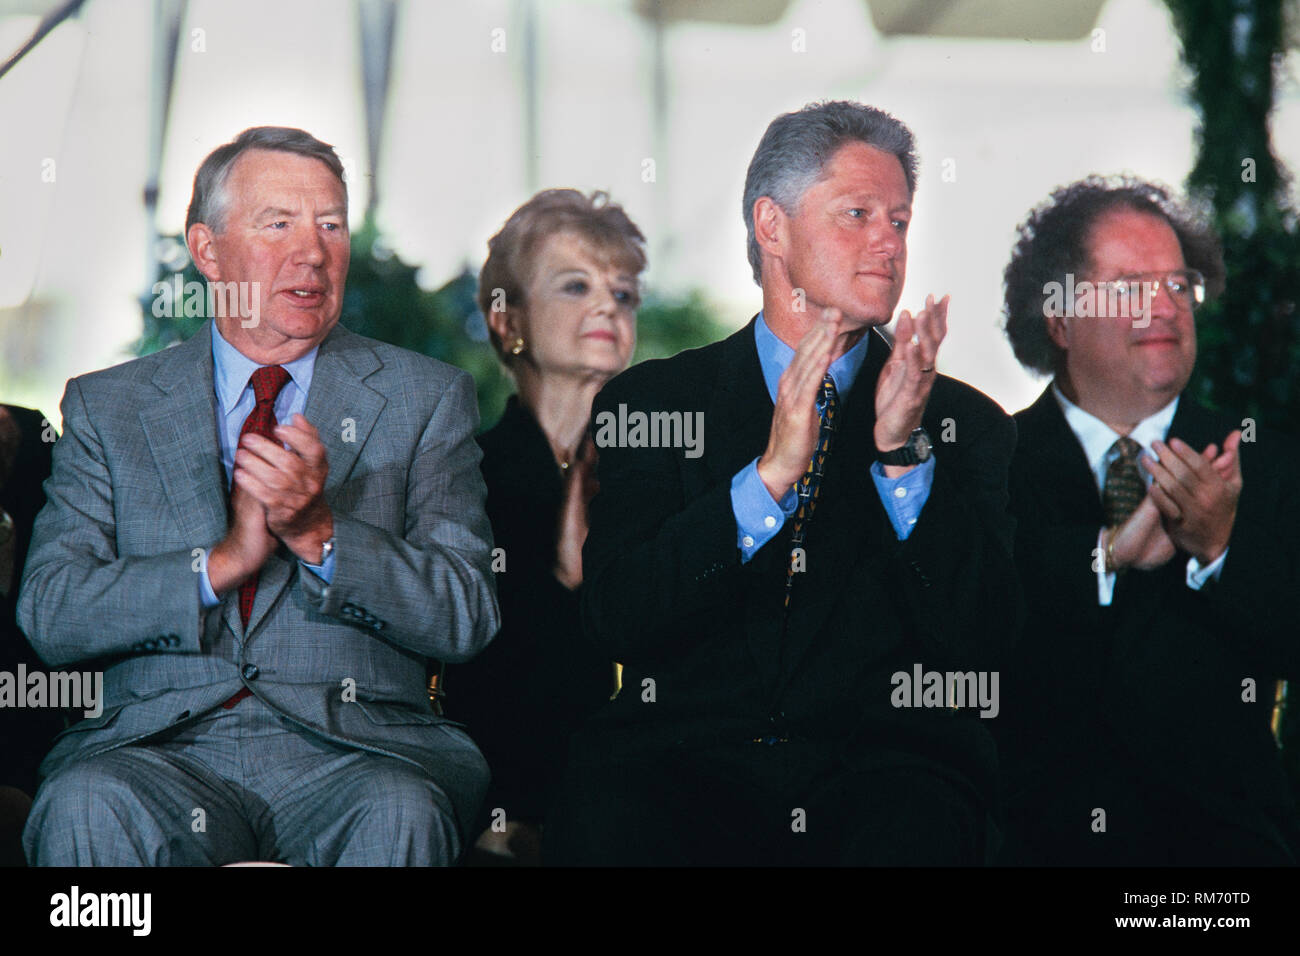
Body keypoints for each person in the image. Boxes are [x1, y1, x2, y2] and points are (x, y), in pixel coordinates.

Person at [546, 101, 1021, 866]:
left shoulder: (969, 425)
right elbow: (618, 616)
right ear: (772, 226)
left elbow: (988, 641)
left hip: (883, 779)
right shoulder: (652, 404)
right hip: (681, 768)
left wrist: (902, 460)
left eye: (899, 221)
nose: (887, 244)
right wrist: (767, 480)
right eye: (858, 214)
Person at [17, 126, 499, 866]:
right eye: (279, 224)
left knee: (401, 810)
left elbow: (467, 612)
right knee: (86, 804)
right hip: (155, 753)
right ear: (208, 251)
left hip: (356, 753)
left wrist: (322, 537)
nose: (313, 251)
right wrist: (218, 564)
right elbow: (52, 611)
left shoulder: (423, 397)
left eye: (331, 224)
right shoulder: (107, 407)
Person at [997, 175, 1299, 865]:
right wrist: (1103, 559)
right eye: (1131, 286)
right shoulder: (990, 467)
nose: (1164, 307)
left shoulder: (1266, 462)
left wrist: (1221, 548)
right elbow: (973, 641)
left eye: (1176, 285)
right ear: (1060, 317)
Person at [450, 189, 644, 864]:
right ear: (507, 323)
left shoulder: (662, 470)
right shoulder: (463, 477)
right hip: (501, 796)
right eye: (575, 285)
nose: (607, 306)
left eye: (623, 294)